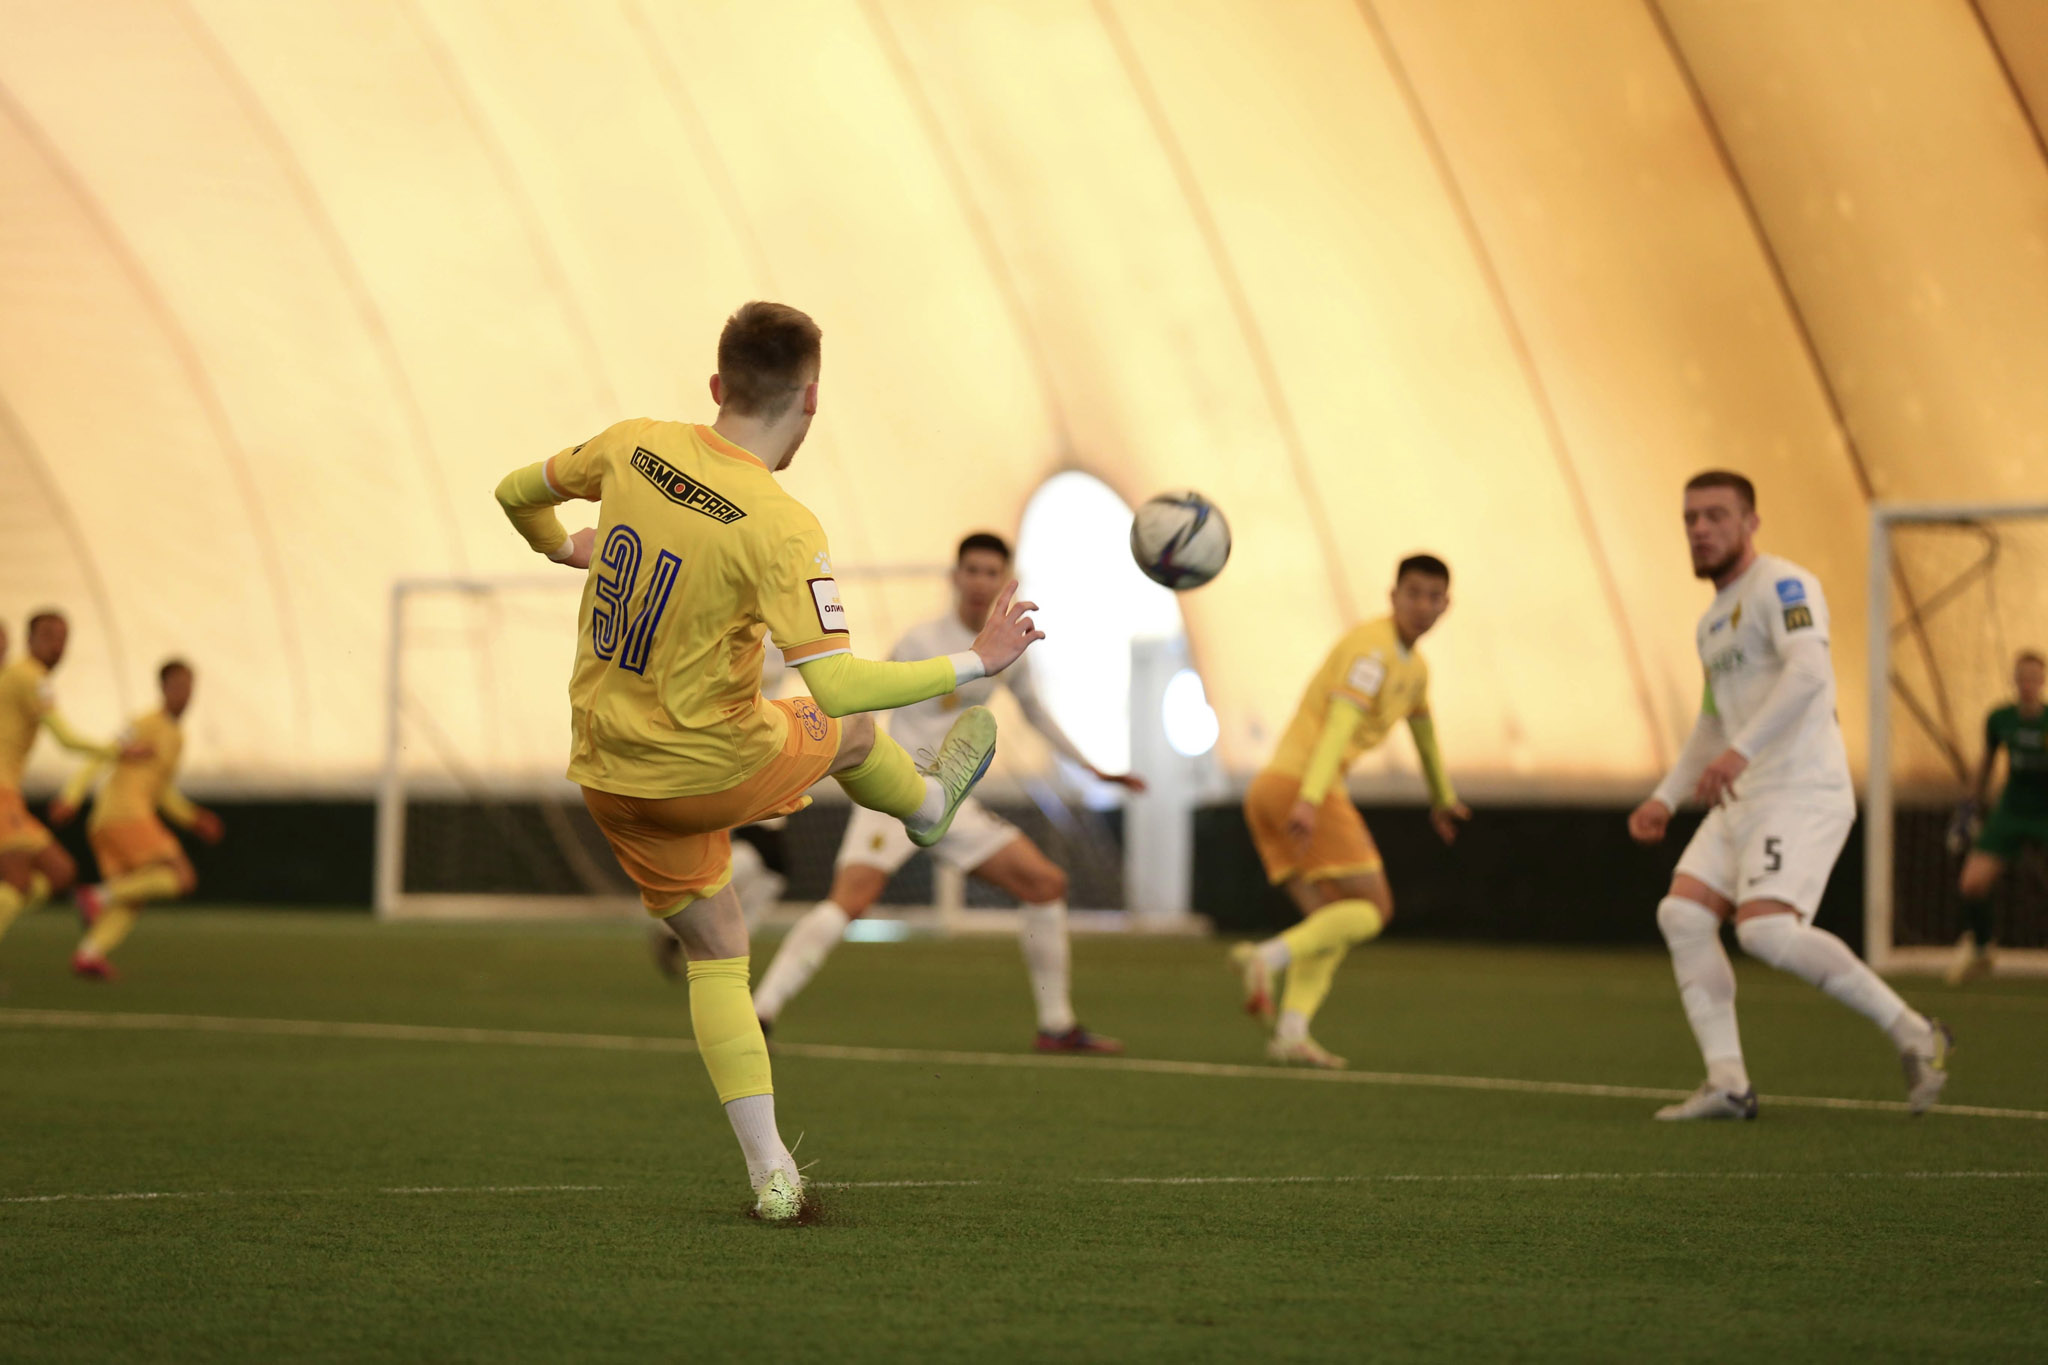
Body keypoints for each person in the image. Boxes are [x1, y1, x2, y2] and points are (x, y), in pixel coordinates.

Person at [493, 301, 1042, 1221]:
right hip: (711, 770)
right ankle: (927, 807)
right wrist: (976, 661)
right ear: (811, 400)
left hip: (608, 775)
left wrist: (565, 548)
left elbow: (515, 492)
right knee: (855, 735)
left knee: (716, 949)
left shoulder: (633, 444)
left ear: (718, 384)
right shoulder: (781, 522)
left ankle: (774, 1175)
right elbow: (840, 687)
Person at [1629, 470, 1951, 1120]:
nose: (1700, 529)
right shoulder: (1711, 623)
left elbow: (1809, 671)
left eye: (1716, 515)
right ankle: (1727, 1082)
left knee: (1766, 930)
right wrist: (1664, 796)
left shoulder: (1783, 584)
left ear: (1751, 522)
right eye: (1690, 517)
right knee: (1682, 915)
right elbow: (1712, 723)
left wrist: (1739, 753)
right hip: (1744, 796)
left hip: (1800, 788)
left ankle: (1917, 1032)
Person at [753, 532, 1142, 1053]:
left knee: (1045, 883)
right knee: (850, 901)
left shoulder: (1009, 648)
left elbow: (1036, 714)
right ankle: (761, 1011)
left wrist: (1095, 770)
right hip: (895, 793)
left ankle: (1057, 1026)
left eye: (991, 572)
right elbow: (864, 696)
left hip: (953, 800)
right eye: (972, 570)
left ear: (1005, 579)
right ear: (955, 577)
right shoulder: (921, 641)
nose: (980, 581)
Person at [1230, 555, 1469, 1069]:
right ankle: (1265, 958)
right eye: (1414, 593)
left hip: (1273, 790)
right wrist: (1311, 799)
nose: (1422, 605)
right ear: (1393, 596)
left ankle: (1291, 1033)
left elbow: (1425, 735)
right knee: (1374, 909)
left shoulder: (1416, 670)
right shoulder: (1371, 651)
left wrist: (1443, 797)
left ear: (1446, 605)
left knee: (1330, 922)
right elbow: (1338, 725)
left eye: (1433, 596)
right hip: (1299, 787)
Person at [52, 660, 225, 979]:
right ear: (163, 688)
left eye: (189, 686)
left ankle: (89, 954)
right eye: (178, 685)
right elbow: (104, 754)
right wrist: (71, 796)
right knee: (182, 876)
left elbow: (162, 791)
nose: (184, 693)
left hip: (112, 819)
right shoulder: (144, 723)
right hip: (124, 813)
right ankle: (95, 896)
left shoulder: (177, 737)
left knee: (134, 893)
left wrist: (192, 817)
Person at [0, 612, 141, 959]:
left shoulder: (15, 676)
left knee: (60, 872)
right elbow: (65, 739)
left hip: (9, 795)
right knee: (18, 882)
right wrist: (118, 751)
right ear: (29, 639)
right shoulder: (32, 678)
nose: (57, 645)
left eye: (63, 637)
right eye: (48, 635)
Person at [1947, 650, 2048, 984]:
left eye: (2034, 678)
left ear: (2042, 682)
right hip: (2012, 810)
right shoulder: (2000, 719)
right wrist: (1968, 808)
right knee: (1972, 883)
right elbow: (1987, 761)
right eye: (2022, 678)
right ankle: (1981, 949)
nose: (2027, 685)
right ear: (2014, 681)